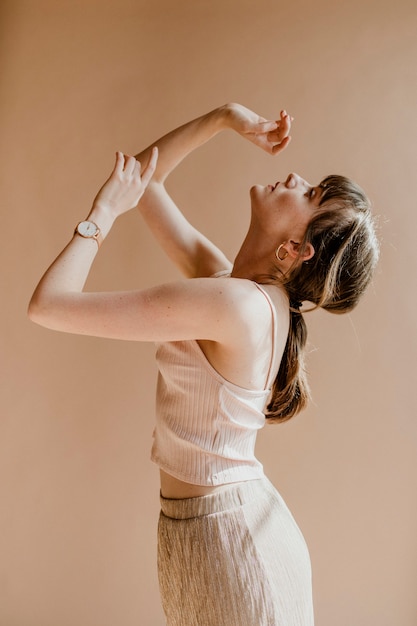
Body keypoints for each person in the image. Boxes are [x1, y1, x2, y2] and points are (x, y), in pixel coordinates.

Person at [28, 103, 379, 626]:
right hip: (204, 530)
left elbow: (48, 306)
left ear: (296, 249)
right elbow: (145, 179)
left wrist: (101, 214)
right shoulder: (241, 293)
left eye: (310, 195)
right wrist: (223, 119)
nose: (295, 177)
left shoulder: (237, 307)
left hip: (229, 541)